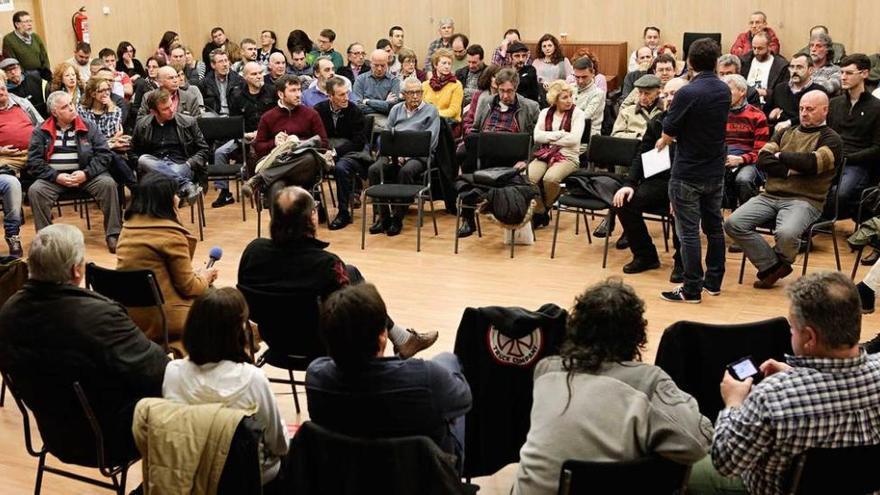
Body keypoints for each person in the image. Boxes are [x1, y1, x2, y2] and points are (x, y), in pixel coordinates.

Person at [513, 278, 712, 495]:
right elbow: (698, 445)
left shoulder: (546, 370)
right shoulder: (648, 382)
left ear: (576, 327)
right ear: (637, 334)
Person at [689, 272, 880, 495]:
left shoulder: (771, 397)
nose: (791, 333)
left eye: (792, 328)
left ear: (809, 338)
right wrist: (798, 375)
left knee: (690, 467)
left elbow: (726, 463)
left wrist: (733, 403)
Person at [0, 224, 169, 467]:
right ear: (76, 270)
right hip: (110, 441)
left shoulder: (8, 313)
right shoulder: (100, 317)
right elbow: (158, 371)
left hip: (55, 436)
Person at [238, 185, 438, 357]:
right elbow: (346, 317)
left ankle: (402, 339)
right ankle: (400, 341)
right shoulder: (326, 264)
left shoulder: (253, 251)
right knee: (356, 286)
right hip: (319, 346)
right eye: (315, 208)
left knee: (350, 273)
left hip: (276, 340)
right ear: (312, 218)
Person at [306, 282, 468, 465]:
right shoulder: (428, 380)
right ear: (382, 337)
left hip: (347, 476)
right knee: (448, 364)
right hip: (423, 480)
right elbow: (464, 400)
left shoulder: (316, 377)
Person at [163, 287, 289, 487]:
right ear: (239, 332)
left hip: (191, 476)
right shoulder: (253, 379)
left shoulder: (172, 372)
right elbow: (279, 444)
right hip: (249, 481)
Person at [724, 90, 842, 289]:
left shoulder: (832, 139)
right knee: (733, 223)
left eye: (810, 109)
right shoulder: (785, 132)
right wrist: (793, 168)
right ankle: (773, 266)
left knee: (786, 233)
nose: (804, 113)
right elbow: (762, 160)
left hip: (806, 199)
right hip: (770, 195)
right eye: (802, 109)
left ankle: (776, 264)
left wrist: (781, 156)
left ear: (825, 110)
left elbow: (812, 163)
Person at [657, 38, 730, 303]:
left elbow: (669, 129)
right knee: (714, 228)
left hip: (688, 172)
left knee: (688, 232)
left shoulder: (687, 92)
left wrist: (664, 137)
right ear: (716, 61)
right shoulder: (724, 90)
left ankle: (691, 289)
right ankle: (713, 282)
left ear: (688, 61)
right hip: (714, 171)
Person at [116, 174, 215, 344]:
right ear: (166, 200)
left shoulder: (127, 228)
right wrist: (205, 278)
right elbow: (188, 288)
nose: (178, 198)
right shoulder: (171, 235)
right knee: (223, 305)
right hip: (164, 318)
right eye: (175, 194)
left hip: (130, 315)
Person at [27, 91, 121, 253]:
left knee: (108, 184)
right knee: (36, 191)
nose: (72, 108)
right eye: (65, 106)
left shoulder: (87, 126)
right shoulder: (41, 131)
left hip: (87, 175)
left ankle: (113, 234)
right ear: (55, 112)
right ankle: (46, 240)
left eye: (71, 103)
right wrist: (56, 176)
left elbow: (104, 154)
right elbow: (34, 162)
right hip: (54, 179)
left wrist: (86, 173)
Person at [611, 78, 687, 275]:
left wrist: (679, 191)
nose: (670, 98)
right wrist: (629, 183)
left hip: (686, 183)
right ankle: (645, 256)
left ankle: (682, 260)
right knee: (624, 200)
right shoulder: (658, 122)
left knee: (681, 205)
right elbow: (642, 155)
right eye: (667, 94)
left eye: (675, 94)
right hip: (660, 181)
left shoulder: (697, 124)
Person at [367, 76, 440, 237]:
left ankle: (397, 218)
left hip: (419, 157)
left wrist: (406, 155)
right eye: (411, 93)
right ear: (403, 94)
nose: (415, 96)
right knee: (374, 170)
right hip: (394, 154)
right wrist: (395, 153)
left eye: (419, 92)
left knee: (406, 171)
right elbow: (386, 135)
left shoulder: (431, 111)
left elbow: (431, 141)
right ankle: (383, 217)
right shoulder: (396, 110)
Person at [245, 75, 328, 204]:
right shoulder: (268, 117)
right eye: (293, 90)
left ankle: (260, 178)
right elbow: (258, 147)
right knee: (276, 190)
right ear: (280, 94)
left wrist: (300, 143)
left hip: (304, 170)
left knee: (309, 158)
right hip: (280, 166)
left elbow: (324, 143)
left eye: (299, 90)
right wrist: (275, 143)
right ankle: (278, 224)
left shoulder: (311, 114)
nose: (298, 94)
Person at [211, 61, 275, 209]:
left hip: (269, 136)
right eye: (254, 74)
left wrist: (260, 134)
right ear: (245, 77)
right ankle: (225, 193)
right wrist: (244, 134)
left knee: (254, 150)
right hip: (244, 136)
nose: (259, 76)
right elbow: (235, 123)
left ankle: (261, 189)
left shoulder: (272, 91)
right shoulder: (237, 95)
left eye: (260, 73)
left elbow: (278, 119)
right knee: (220, 152)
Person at [824, 54, 880, 220]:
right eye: (841, 72)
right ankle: (807, 229)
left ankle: (822, 223)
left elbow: (877, 147)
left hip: (857, 164)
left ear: (864, 74)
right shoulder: (834, 104)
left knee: (840, 194)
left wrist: (848, 158)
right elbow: (826, 134)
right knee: (806, 187)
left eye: (848, 73)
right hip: (832, 159)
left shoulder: (876, 108)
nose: (843, 77)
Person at [133, 89, 210, 206]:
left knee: (163, 180)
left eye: (171, 105)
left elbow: (204, 149)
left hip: (181, 164)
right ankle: (186, 186)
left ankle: (165, 216)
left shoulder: (188, 122)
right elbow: (133, 151)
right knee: (143, 159)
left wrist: (190, 163)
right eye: (165, 109)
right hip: (154, 165)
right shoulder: (142, 125)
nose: (171, 110)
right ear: (153, 112)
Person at [527, 80, 586, 228]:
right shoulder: (545, 112)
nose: (569, 100)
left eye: (570, 96)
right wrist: (560, 134)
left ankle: (545, 206)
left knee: (550, 179)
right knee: (529, 177)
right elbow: (537, 137)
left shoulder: (578, 114)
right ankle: (541, 211)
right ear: (555, 100)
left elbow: (574, 140)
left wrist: (549, 136)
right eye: (564, 97)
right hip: (545, 153)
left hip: (568, 156)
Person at [315, 76, 367, 230]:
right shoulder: (318, 110)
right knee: (309, 165)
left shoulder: (354, 111)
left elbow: (359, 142)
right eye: (341, 95)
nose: (346, 98)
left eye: (347, 93)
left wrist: (335, 152)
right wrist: (326, 152)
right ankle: (318, 207)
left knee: (341, 168)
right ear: (330, 96)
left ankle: (343, 212)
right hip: (325, 150)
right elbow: (315, 135)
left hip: (351, 152)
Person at [0, 71, 39, 257]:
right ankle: (13, 235)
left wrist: (40, 146)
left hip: (32, 154)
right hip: (6, 159)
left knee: (47, 179)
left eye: (2, 86)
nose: (0, 90)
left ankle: (46, 235)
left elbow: (41, 125)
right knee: (12, 184)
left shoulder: (22, 103)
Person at [78, 75, 136, 190]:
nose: (106, 93)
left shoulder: (115, 109)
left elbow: (110, 131)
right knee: (112, 156)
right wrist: (112, 142)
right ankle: (135, 189)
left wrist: (110, 109)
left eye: (108, 89)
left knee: (113, 156)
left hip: (108, 150)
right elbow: (91, 137)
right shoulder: (82, 110)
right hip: (89, 151)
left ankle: (132, 191)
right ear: (93, 94)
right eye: (102, 90)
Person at [722, 74, 769, 211]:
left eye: (728, 90)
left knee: (743, 180)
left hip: (750, 161)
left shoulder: (757, 116)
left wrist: (741, 159)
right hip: (723, 157)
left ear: (742, 92)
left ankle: (745, 222)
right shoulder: (720, 113)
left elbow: (761, 152)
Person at [765, 53, 825, 135]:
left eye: (799, 67)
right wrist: (771, 116)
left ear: (810, 70)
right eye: (792, 67)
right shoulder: (780, 88)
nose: (794, 71)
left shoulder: (818, 92)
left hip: (806, 134)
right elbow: (766, 111)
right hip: (779, 134)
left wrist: (789, 122)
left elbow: (814, 118)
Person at [353, 49, 400, 130]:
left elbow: (392, 108)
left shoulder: (394, 81)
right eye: (376, 65)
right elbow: (357, 107)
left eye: (383, 65)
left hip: (386, 119)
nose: (379, 69)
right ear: (370, 64)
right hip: (365, 119)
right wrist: (384, 104)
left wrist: (367, 101)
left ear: (387, 64)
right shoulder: (361, 79)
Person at [740, 32, 789, 108]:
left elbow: (783, 92)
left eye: (760, 48)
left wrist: (766, 93)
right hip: (746, 106)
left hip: (768, 106)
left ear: (769, 47)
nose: (756, 51)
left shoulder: (781, 66)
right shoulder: (745, 62)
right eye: (754, 48)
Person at [1, 10, 50, 80]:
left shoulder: (35, 36)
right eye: (26, 22)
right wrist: (24, 75)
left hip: (41, 74)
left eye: (30, 21)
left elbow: (44, 57)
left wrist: (46, 72)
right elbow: (11, 61)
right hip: (23, 77)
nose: (30, 24)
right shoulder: (9, 40)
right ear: (17, 24)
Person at [612, 74, 663, 139]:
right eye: (640, 92)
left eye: (647, 93)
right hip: (632, 146)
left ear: (657, 94)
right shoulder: (626, 112)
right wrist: (637, 136)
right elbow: (615, 135)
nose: (642, 97)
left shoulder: (665, 112)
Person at [422, 48, 463, 124]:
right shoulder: (425, 85)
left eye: (449, 63)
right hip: (427, 121)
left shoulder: (456, 85)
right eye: (444, 63)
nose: (447, 66)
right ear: (435, 65)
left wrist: (433, 114)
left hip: (449, 123)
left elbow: (453, 111)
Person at [199, 48, 243, 116]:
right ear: (213, 65)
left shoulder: (238, 80)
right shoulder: (205, 83)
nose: (225, 64)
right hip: (215, 117)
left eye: (226, 60)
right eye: (220, 61)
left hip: (233, 116)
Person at [572, 56, 605, 138]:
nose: (580, 81)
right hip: (569, 133)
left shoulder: (598, 93)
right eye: (577, 77)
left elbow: (584, 117)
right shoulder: (569, 88)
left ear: (593, 73)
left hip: (588, 138)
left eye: (584, 77)